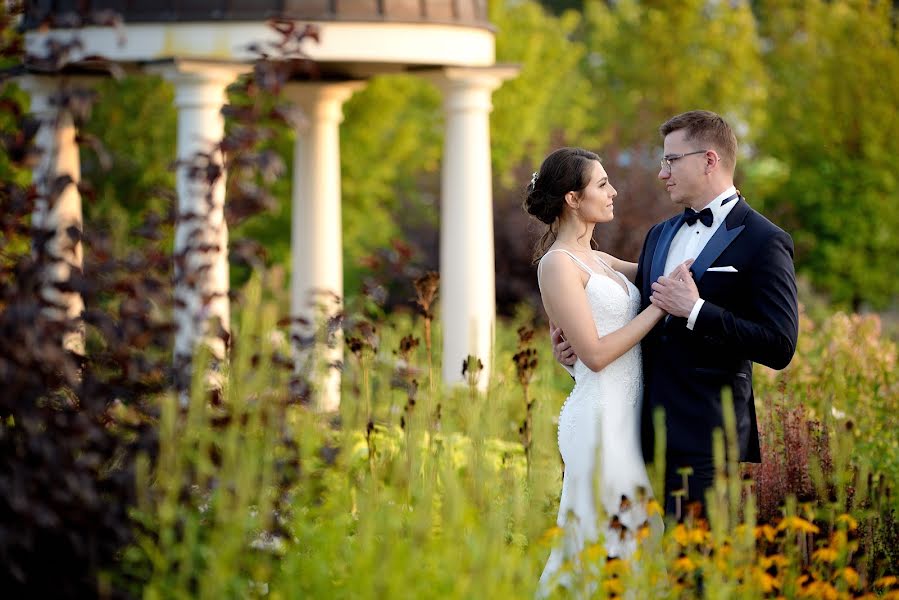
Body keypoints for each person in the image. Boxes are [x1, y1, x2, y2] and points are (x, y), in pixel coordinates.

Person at [553, 110, 799, 519]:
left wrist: (698, 310)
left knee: (695, 574)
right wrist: (574, 341)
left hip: (706, 439)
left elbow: (779, 346)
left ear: (709, 160)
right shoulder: (659, 233)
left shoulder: (765, 241)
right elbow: (624, 291)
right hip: (633, 434)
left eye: (671, 160)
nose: (662, 173)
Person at [524, 147, 688, 593]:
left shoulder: (598, 258)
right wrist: (659, 308)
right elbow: (594, 355)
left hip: (624, 420)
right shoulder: (558, 264)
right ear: (573, 199)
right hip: (598, 422)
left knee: (627, 543)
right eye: (601, 184)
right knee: (610, 543)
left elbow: (662, 276)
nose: (613, 191)